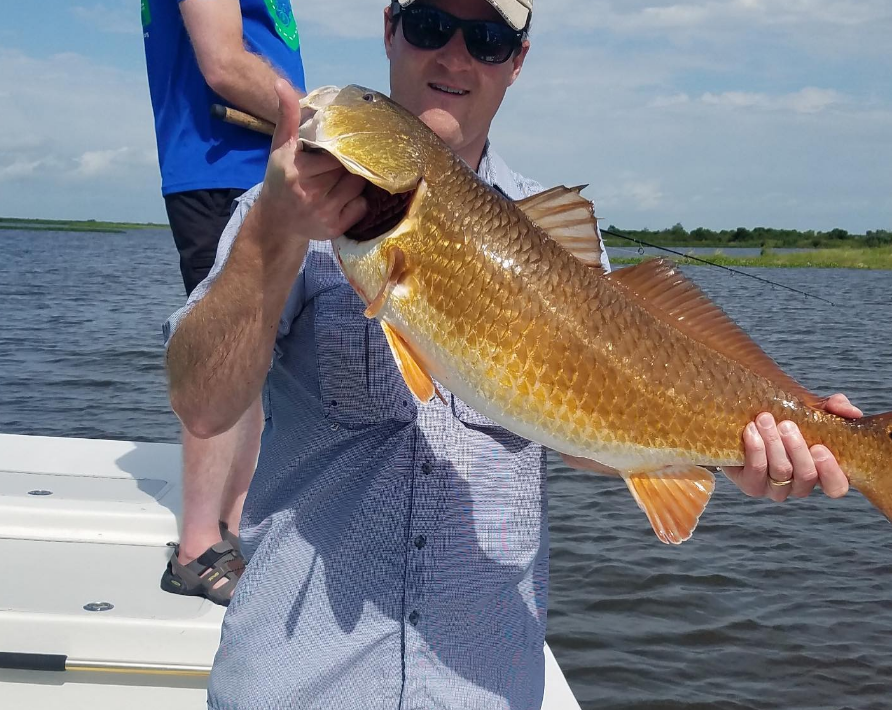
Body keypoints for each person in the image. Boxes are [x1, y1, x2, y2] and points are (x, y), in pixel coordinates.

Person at [163, 0, 860, 706]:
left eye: (489, 39)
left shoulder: (560, 246)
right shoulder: (272, 209)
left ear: (517, 62)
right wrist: (275, 236)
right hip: (302, 679)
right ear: (390, 29)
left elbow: (587, 431)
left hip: (483, 683)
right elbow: (201, 404)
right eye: (431, 25)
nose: (456, 57)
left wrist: (733, 450)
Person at [141, 0, 306, 605]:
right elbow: (224, 65)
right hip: (219, 167)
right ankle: (196, 548)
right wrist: (324, 123)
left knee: (254, 355)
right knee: (224, 344)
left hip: (255, 164)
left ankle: (233, 526)